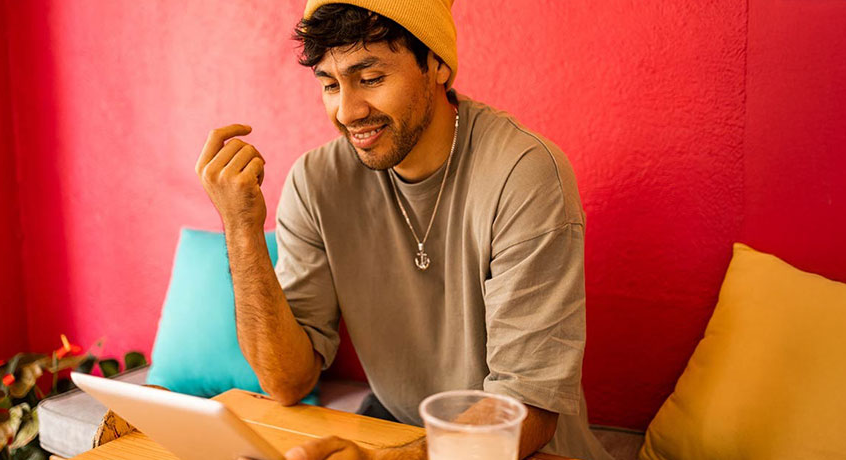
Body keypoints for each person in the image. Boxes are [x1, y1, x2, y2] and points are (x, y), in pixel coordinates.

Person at [196, 1, 612, 459]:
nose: (347, 111)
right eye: (330, 85)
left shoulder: (525, 173)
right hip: (397, 435)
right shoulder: (316, 181)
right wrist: (241, 228)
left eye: (370, 78)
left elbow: (528, 409)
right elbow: (286, 381)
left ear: (437, 64)